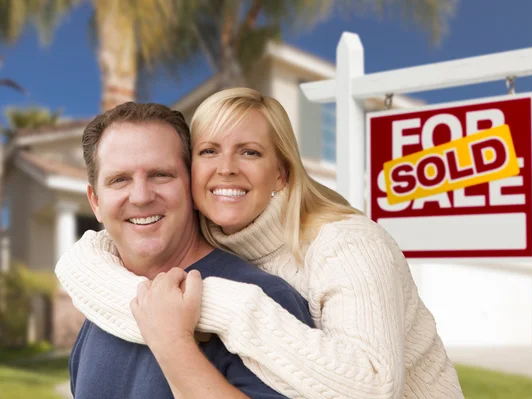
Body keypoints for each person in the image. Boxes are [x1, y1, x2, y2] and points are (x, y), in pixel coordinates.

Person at [57, 89, 464, 399]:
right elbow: (85, 261)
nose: (226, 169)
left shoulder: (336, 252)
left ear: (282, 174)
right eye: (210, 151)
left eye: (161, 175)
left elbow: (373, 386)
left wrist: (201, 321)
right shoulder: (108, 297)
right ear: (94, 201)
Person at [65, 102, 314, 399]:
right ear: (95, 202)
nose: (142, 196)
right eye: (120, 180)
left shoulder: (264, 298)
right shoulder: (103, 305)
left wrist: (175, 344)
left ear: (192, 186)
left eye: (161, 175)